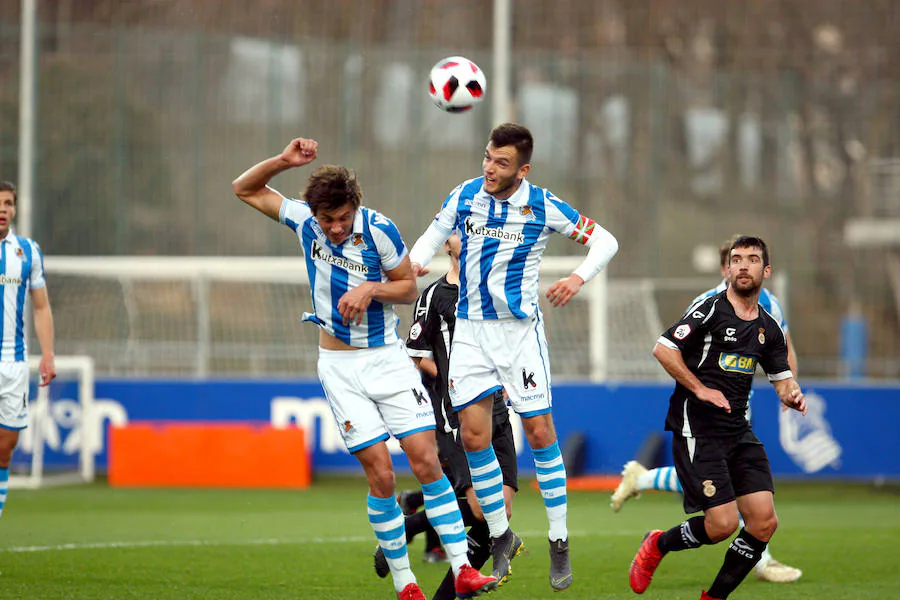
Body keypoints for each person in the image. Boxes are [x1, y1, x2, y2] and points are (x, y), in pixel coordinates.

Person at [231, 139, 497, 600]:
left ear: (356, 207)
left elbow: (408, 288)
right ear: (313, 213)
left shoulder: (379, 230)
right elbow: (244, 189)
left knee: (426, 460)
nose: (334, 229)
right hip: (339, 367)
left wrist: (370, 290)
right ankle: (405, 583)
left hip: (387, 359)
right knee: (382, 476)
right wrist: (282, 161)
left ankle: (461, 570)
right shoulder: (303, 222)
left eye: (342, 219)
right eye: (326, 220)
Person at [408, 123, 619, 591]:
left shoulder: (542, 204)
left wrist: (578, 279)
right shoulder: (465, 194)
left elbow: (605, 241)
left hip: (520, 334)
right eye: (487, 157)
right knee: (474, 436)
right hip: (471, 333)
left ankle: (559, 540)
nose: (489, 168)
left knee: (540, 431)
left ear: (522, 169)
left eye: (501, 163)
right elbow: (430, 236)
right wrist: (414, 263)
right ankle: (501, 537)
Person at [611, 235, 802, 583]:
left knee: (761, 519)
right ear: (726, 268)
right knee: (723, 523)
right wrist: (700, 388)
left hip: (740, 419)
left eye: (753, 259)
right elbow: (668, 348)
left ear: (767, 269)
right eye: (737, 259)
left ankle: (743, 572)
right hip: (699, 425)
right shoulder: (708, 305)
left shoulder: (771, 311)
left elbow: (781, 358)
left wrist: (790, 392)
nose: (743, 265)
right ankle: (657, 540)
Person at [374, 233, 519, 600]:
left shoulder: (496, 294)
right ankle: (412, 527)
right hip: (455, 411)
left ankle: (413, 526)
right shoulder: (434, 296)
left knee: (498, 518)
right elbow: (417, 355)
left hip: (496, 411)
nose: (468, 237)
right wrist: (461, 377)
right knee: (483, 511)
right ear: (446, 246)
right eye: (458, 231)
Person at [0, 180, 57, 522]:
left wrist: (48, 354)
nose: (2, 209)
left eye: (8, 203)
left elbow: (41, 307)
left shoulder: (27, 251)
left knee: (6, 447)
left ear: (15, 209)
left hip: (13, 363)